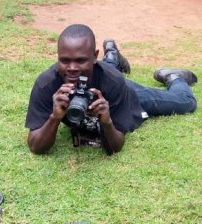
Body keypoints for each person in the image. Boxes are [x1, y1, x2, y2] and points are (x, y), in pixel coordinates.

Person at [25, 24, 198, 155]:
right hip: (101, 73)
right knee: (96, 70)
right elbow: (35, 146)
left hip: (128, 93)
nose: (71, 68)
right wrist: (54, 117)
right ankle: (112, 55)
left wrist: (107, 122)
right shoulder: (47, 84)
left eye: (80, 60)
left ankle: (175, 78)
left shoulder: (113, 82)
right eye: (64, 60)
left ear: (94, 56)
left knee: (186, 103)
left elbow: (115, 146)